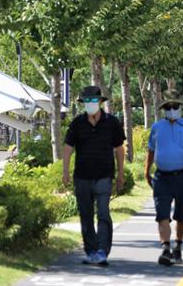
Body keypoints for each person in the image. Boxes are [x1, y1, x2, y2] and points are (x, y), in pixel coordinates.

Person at [63, 86, 126, 267]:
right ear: (83, 104)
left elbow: (119, 149)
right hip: (82, 176)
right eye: (87, 101)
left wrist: (120, 173)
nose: (90, 104)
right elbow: (68, 148)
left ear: (100, 102)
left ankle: (102, 251)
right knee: (86, 214)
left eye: (93, 101)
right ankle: (90, 251)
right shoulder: (77, 123)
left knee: (104, 213)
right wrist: (65, 172)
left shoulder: (112, 122)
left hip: (104, 175)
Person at [144, 90, 183, 266]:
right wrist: (146, 171)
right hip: (162, 177)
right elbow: (150, 150)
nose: (172, 109)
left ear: (180, 108)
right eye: (168, 107)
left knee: (182, 214)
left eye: (175, 106)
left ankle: (178, 246)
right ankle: (165, 248)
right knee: (161, 213)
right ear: (164, 109)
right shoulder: (157, 128)